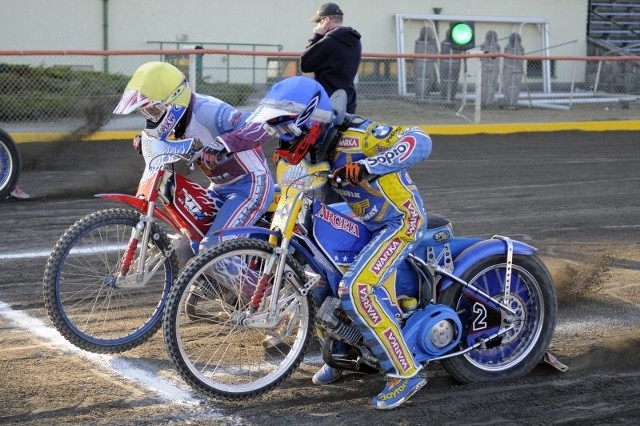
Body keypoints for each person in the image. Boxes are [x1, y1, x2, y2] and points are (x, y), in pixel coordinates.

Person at [247, 76, 432, 410]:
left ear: (309, 122)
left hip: (400, 220)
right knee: (317, 278)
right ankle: (342, 354)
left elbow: (420, 140)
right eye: (277, 130)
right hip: (362, 216)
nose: (281, 137)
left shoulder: (358, 135)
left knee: (357, 289)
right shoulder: (312, 149)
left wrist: (368, 166)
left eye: (285, 129)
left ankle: (404, 373)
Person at [113, 61, 275, 257]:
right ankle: (204, 287)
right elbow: (160, 136)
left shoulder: (209, 112)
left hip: (250, 186)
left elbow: (260, 126)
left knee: (213, 250)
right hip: (219, 188)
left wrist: (223, 143)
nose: (151, 118)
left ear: (173, 100)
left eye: (153, 111)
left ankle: (256, 288)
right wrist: (144, 139)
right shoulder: (175, 119)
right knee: (187, 248)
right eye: (145, 113)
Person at [301, 2, 362, 114]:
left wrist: (317, 36)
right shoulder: (355, 40)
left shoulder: (330, 41)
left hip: (329, 103)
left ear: (326, 20)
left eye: (319, 21)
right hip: (348, 102)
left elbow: (305, 64)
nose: (317, 25)